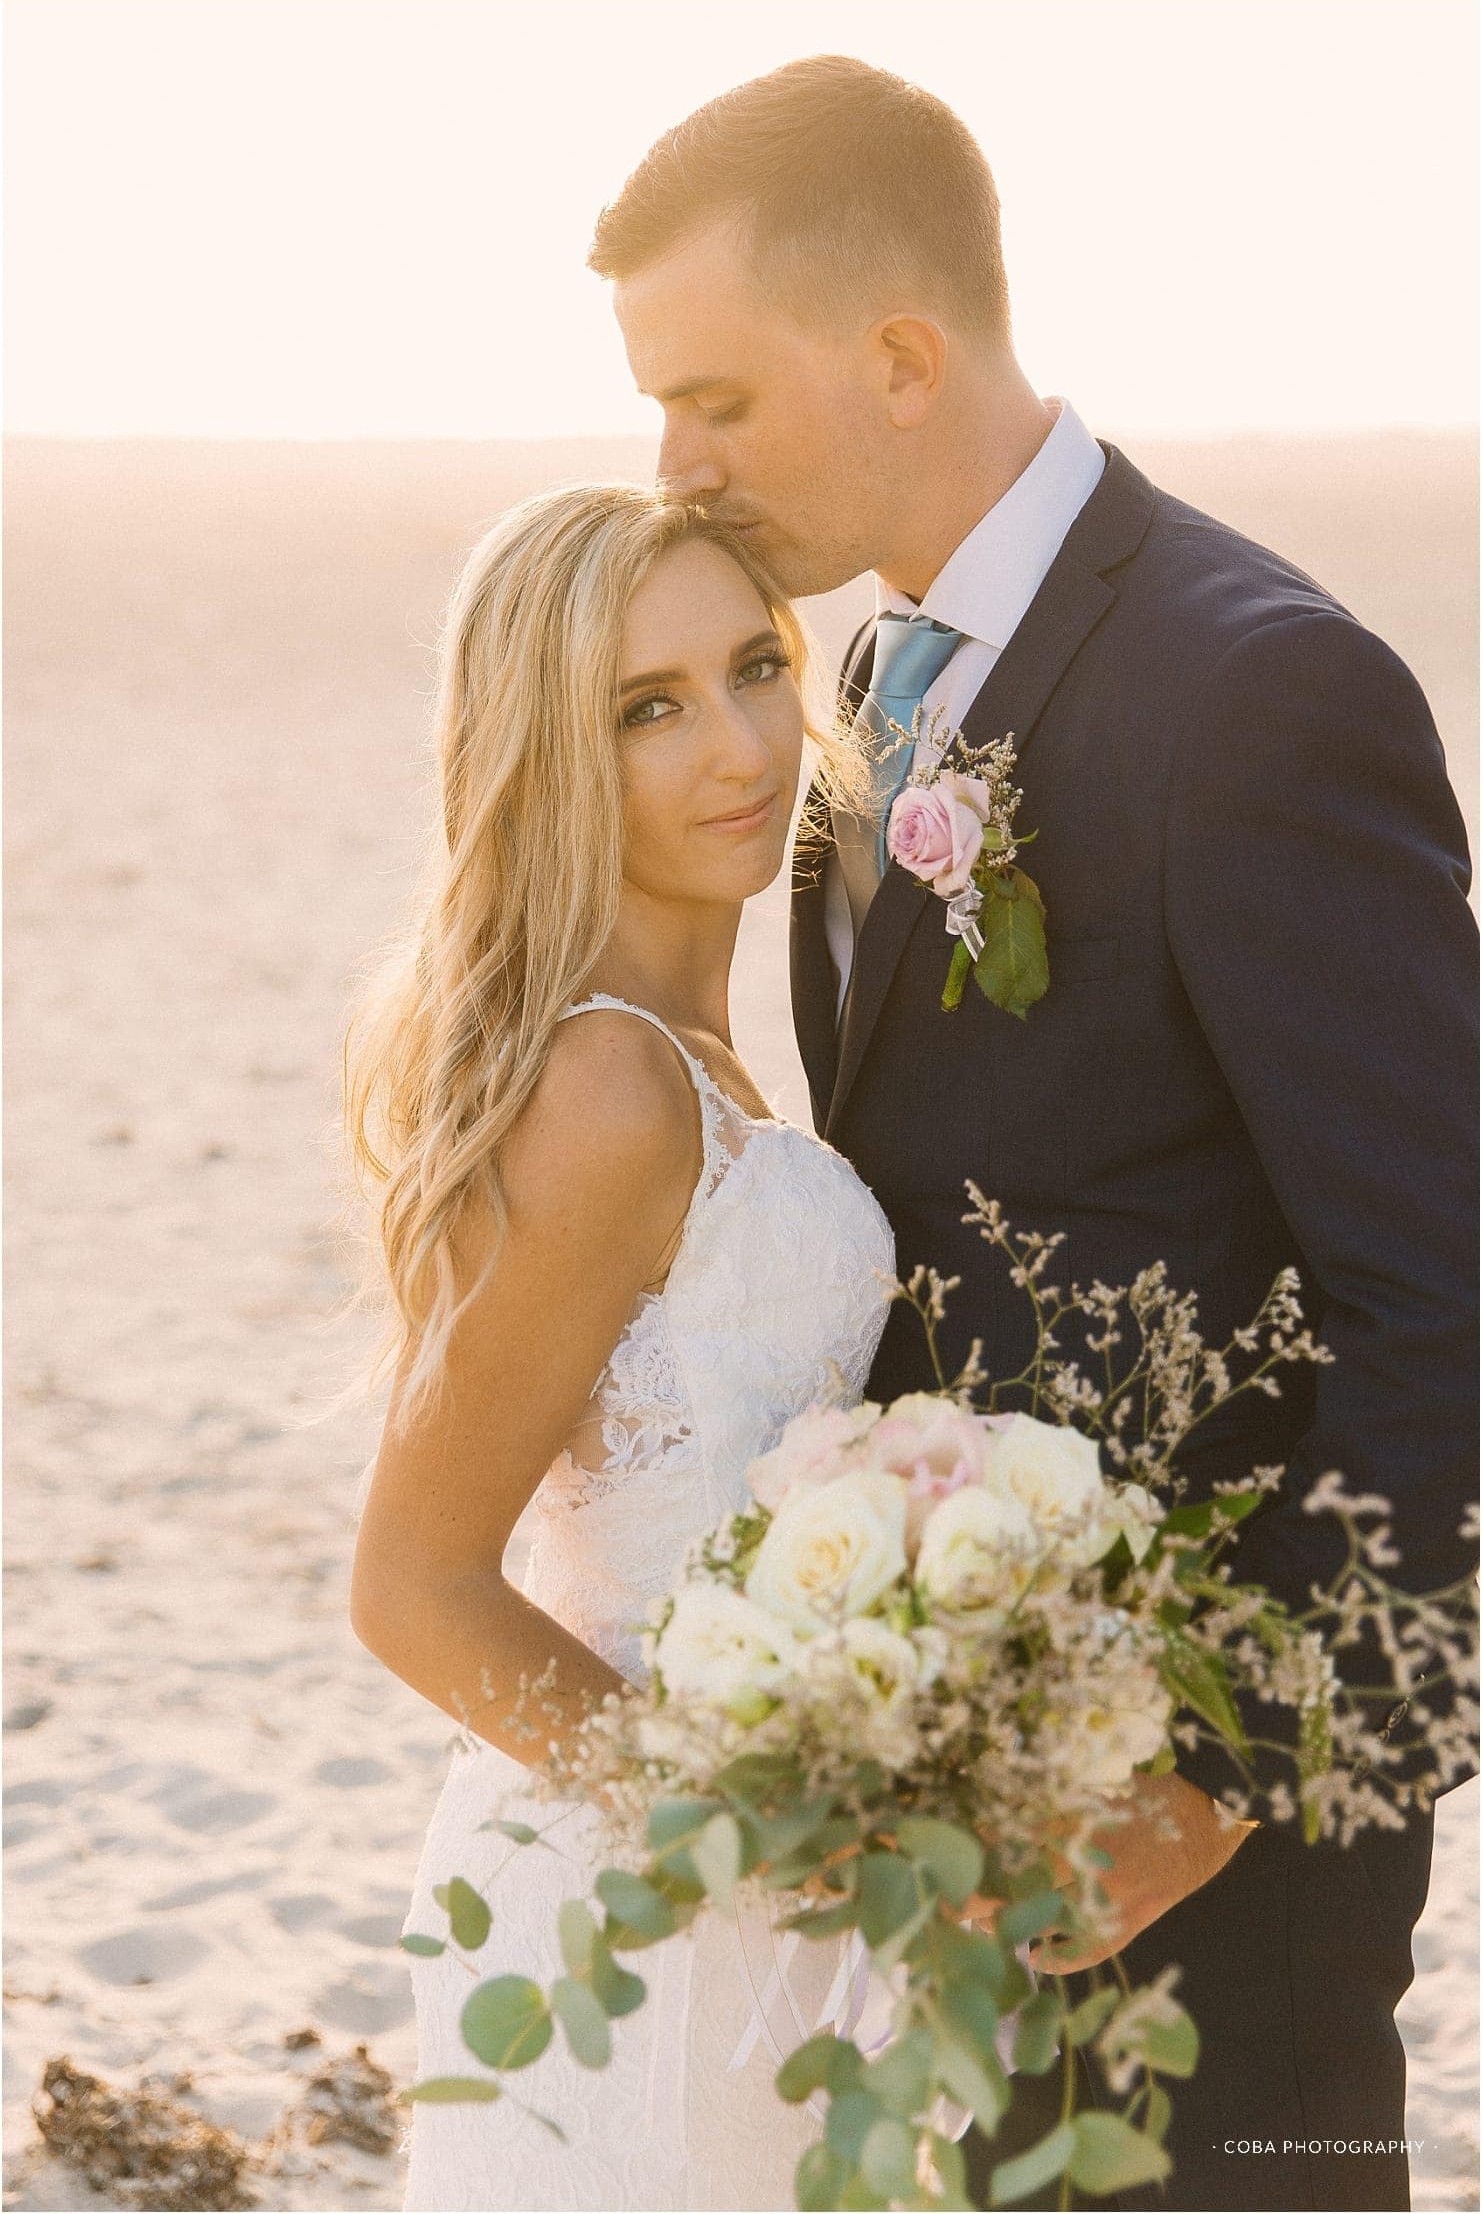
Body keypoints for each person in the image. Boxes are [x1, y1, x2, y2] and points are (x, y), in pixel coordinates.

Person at [591, 53, 1479, 2213]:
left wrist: (1209, 1788)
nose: (674, 467)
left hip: (1216, 1886)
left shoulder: (1254, 687)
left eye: (712, 398)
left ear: (900, 354)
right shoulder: (868, 688)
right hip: (949, 1820)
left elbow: (1446, 1295)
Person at [345, 482, 898, 2211]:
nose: (737, 744)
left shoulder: (697, 1053)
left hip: (740, 1874)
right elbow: (416, 1587)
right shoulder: (607, 1085)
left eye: (753, 668)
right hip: (640, 1899)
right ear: (546, 753)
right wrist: (751, 1836)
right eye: (644, 709)